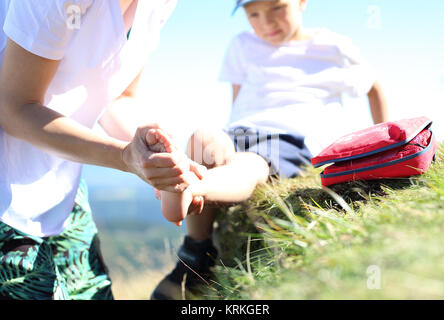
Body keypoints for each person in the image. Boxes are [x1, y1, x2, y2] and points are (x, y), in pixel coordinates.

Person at [151, 0, 389, 300]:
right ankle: (197, 249)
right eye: (253, 14)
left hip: (290, 136)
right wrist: (223, 142)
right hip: (241, 129)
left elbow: (374, 88)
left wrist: (386, 141)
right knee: (202, 138)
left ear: (301, 3)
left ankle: (189, 184)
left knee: (251, 165)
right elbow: (238, 103)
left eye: (277, 8)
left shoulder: (332, 46)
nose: (266, 22)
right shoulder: (241, 45)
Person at [0, 0, 206, 300]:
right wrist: (126, 157)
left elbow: (118, 96)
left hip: (59, 183)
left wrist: (159, 152)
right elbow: (13, 109)